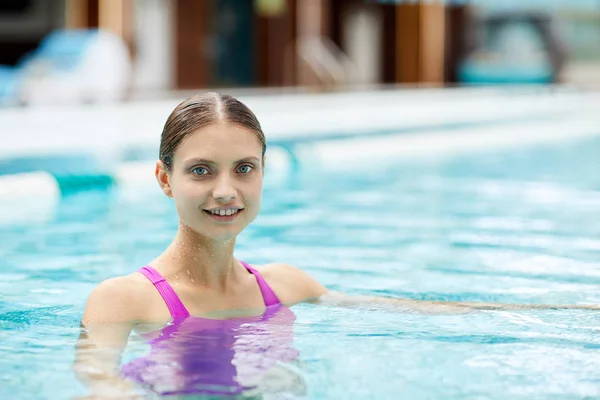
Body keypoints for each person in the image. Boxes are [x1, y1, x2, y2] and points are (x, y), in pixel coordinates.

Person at [74, 92, 600, 398]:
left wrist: (562, 310)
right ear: (164, 179)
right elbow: (99, 382)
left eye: (244, 168)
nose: (225, 190)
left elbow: (423, 314)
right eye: (201, 171)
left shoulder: (286, 285)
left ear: (263, 174)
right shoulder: (124, 299)